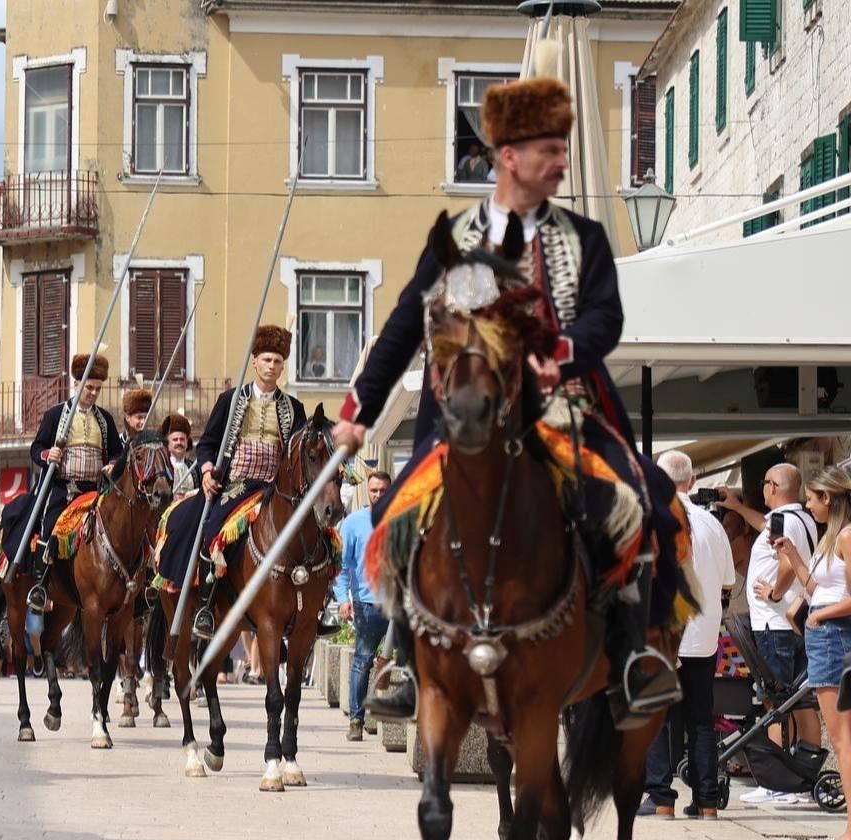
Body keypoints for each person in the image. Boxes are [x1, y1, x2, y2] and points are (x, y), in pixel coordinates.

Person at [331, 77, 683, 726]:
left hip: (563, 406)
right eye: (550, 149)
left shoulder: (584, 237)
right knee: (393, 513)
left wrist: (562, 351)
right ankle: (404, 660)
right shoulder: (455, 239)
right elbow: (404, 328)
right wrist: (358, 411)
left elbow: (605, 317)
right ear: (510, 156)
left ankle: (635, 655)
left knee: (644, 502)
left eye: (563, 148)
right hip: (464, 419)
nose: (561, 161)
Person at [156, 325, 306, 639]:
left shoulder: (294, 408)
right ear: (255, 362)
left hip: (275, 489)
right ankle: (206, 607)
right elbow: (208, 443)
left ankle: (312, 610)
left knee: (314, 536)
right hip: (236, 484)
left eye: (277, 361)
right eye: (266, 360)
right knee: (212, 532)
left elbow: (299, 454)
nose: (271, 366)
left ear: (282, 367)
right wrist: (207, 472)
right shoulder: (230, 400)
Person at [640, 451, 734, 819]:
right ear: (692, 481)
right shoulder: (713, 524)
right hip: (704, 635)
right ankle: (707, 801)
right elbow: (728, 581)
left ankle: (661, 798)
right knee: (701, 719)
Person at [721, 462, 823, 798]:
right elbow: (765, 526)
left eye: (765, 483)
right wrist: (738, 507)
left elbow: (786, 562)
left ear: (773, 487)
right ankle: (803, 777)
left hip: (774, 623)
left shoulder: (782, 520)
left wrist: (775, 593)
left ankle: (778, 783)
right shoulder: (801, 518)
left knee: (775, 703)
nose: (763, 488)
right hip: (793, 623)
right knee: (801, 701)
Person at [0, 353, 120, 614]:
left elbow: (116, 453)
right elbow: (36, 448)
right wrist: (48, 454)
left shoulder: (106, 420)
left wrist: (112, 464)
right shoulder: (55, 415)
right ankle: (40, 586)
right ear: (77, 384)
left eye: (97, 389)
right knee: (50, 526)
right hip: (63, 489)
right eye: (89, 387)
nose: (93, 393)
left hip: (95, 491)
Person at [769, 466, 851, 836]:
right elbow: (818, 589)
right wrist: (792, 555)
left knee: (842, 738)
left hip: (833, 636)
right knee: (842, 736)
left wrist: (820, 617)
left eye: (812, 499)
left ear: (827, 498)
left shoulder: (845, 536)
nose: (808, 505)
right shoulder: (831, 537)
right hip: (826, 635)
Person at [338, 470, 392, 741]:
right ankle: (356, 721)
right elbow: (342, 566)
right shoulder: (352, 523)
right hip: (366, 604)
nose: (379, 495)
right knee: (362, 661)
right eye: (374, 490)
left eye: (384, 490)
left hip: (399, 604)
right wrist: (342, 599)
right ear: (367, 492)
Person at [161, 413, 195, 500]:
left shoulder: (195, 467)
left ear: (187, 442)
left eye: (182, 439)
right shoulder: (162, 467)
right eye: (175, 440)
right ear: (167, 443)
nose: (179, 442)